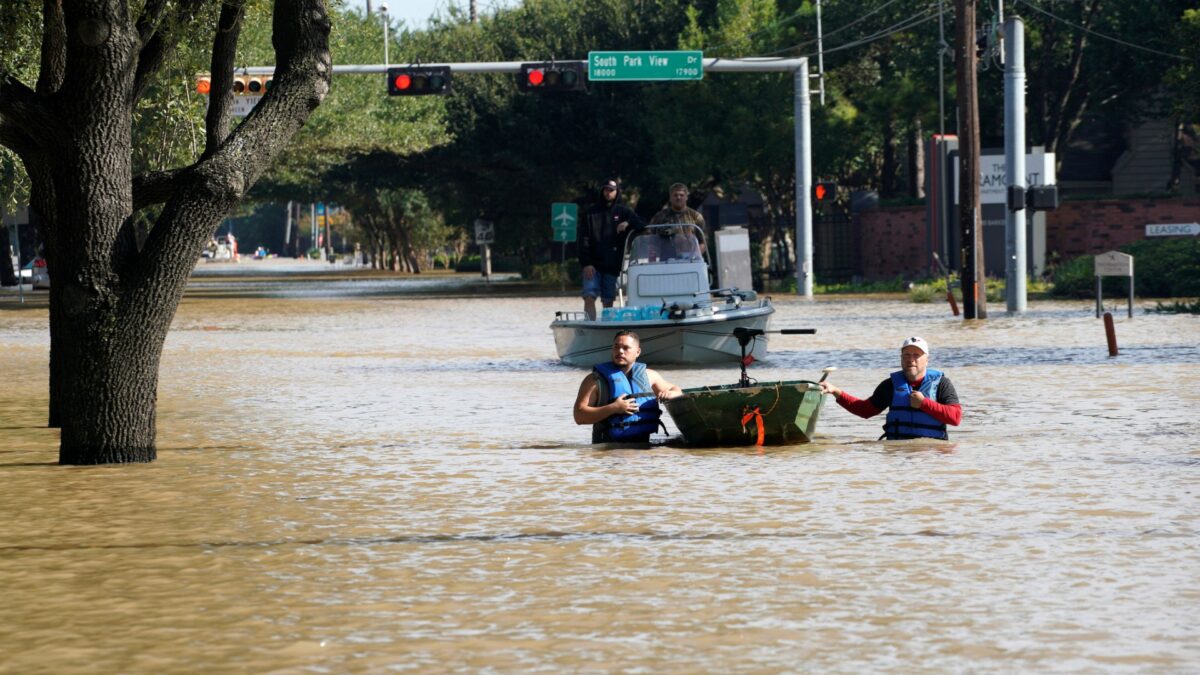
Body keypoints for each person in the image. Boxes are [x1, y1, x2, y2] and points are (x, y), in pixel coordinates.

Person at [818, 336, 963, 440]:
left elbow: (955, 418)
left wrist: (924, 403)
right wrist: (835, 391)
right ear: (901, 358)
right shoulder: (890, 385)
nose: (910, 359)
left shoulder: (942, 384)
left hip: (932, 455)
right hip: (898, 453)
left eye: (916, 355)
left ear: (927, 359)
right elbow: (865, 410)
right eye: (906, 355)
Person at [574, 330, 683, 443]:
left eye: (626, 348)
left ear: (638, 352)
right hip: (608, 454)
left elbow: (677, 390)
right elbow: (579, 416)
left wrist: (671, 394)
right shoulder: (594, 380)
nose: (620, 351)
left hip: (643, 453)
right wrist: (614, 408)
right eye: (616, 347)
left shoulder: (650, 376)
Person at [580, 178, 645, 320]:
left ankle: (605, 324)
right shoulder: (590, 213)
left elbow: (642, 224)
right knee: (589, 296)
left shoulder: (624, 211)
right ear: (602, 191)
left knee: (608, 300)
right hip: (592, 265)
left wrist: (628, 223)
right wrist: (586, 263)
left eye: (611, 190)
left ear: (617, 192)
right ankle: (590, 325)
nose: (608, 192)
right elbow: (583, 239)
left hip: (612, 266)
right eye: (606, 189)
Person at [649, 182, 708, 258]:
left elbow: (703, 242)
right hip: (666, 261)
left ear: (686, 197)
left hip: (690, 261)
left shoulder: (696, 217)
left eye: (681, 195)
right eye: (675, 195)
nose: (678, 197)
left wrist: (693, 255)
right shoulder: (660, 217)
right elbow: (651, 242)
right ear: (670, 197)